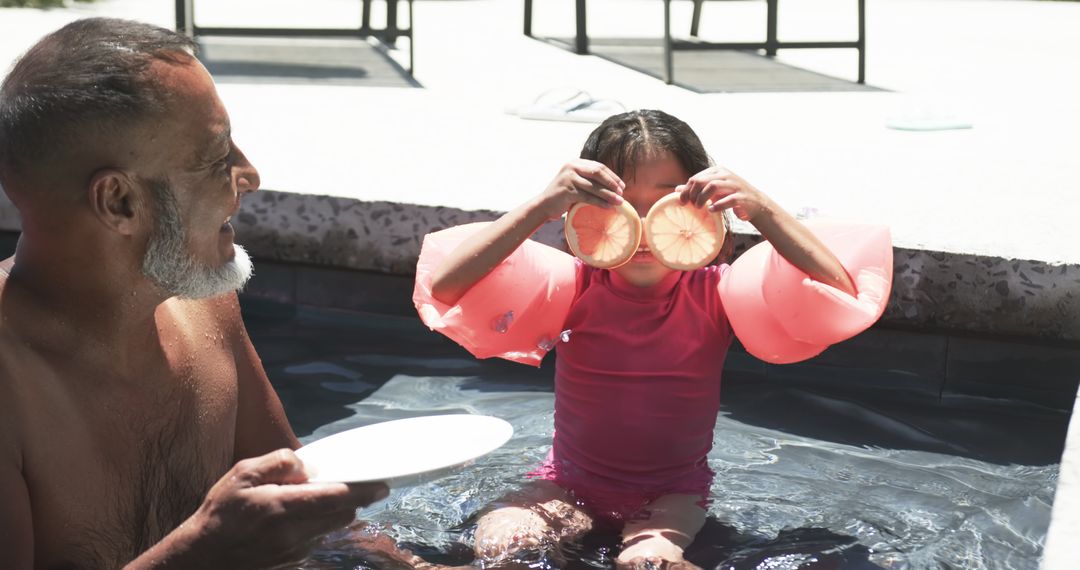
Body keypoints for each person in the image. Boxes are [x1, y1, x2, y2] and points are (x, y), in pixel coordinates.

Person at [414, 110, 884, 569]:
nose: (640, 227)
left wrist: (760, 208)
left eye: (660, 205)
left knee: (649, 563)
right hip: (566, 484)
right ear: (583, 209)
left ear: (700, 208)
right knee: (505, 546)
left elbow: (841, 296)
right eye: (620, 205)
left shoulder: (718, 293)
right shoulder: (571, 288)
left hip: (672, 498)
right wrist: (541, 205)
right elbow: (448, 288)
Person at [0, 18, 389, 569]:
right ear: (119, 202)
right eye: (215, 158)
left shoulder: (203, 305)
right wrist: (199, 554)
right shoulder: (9, 387)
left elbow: (311, 509)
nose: (249, 175)